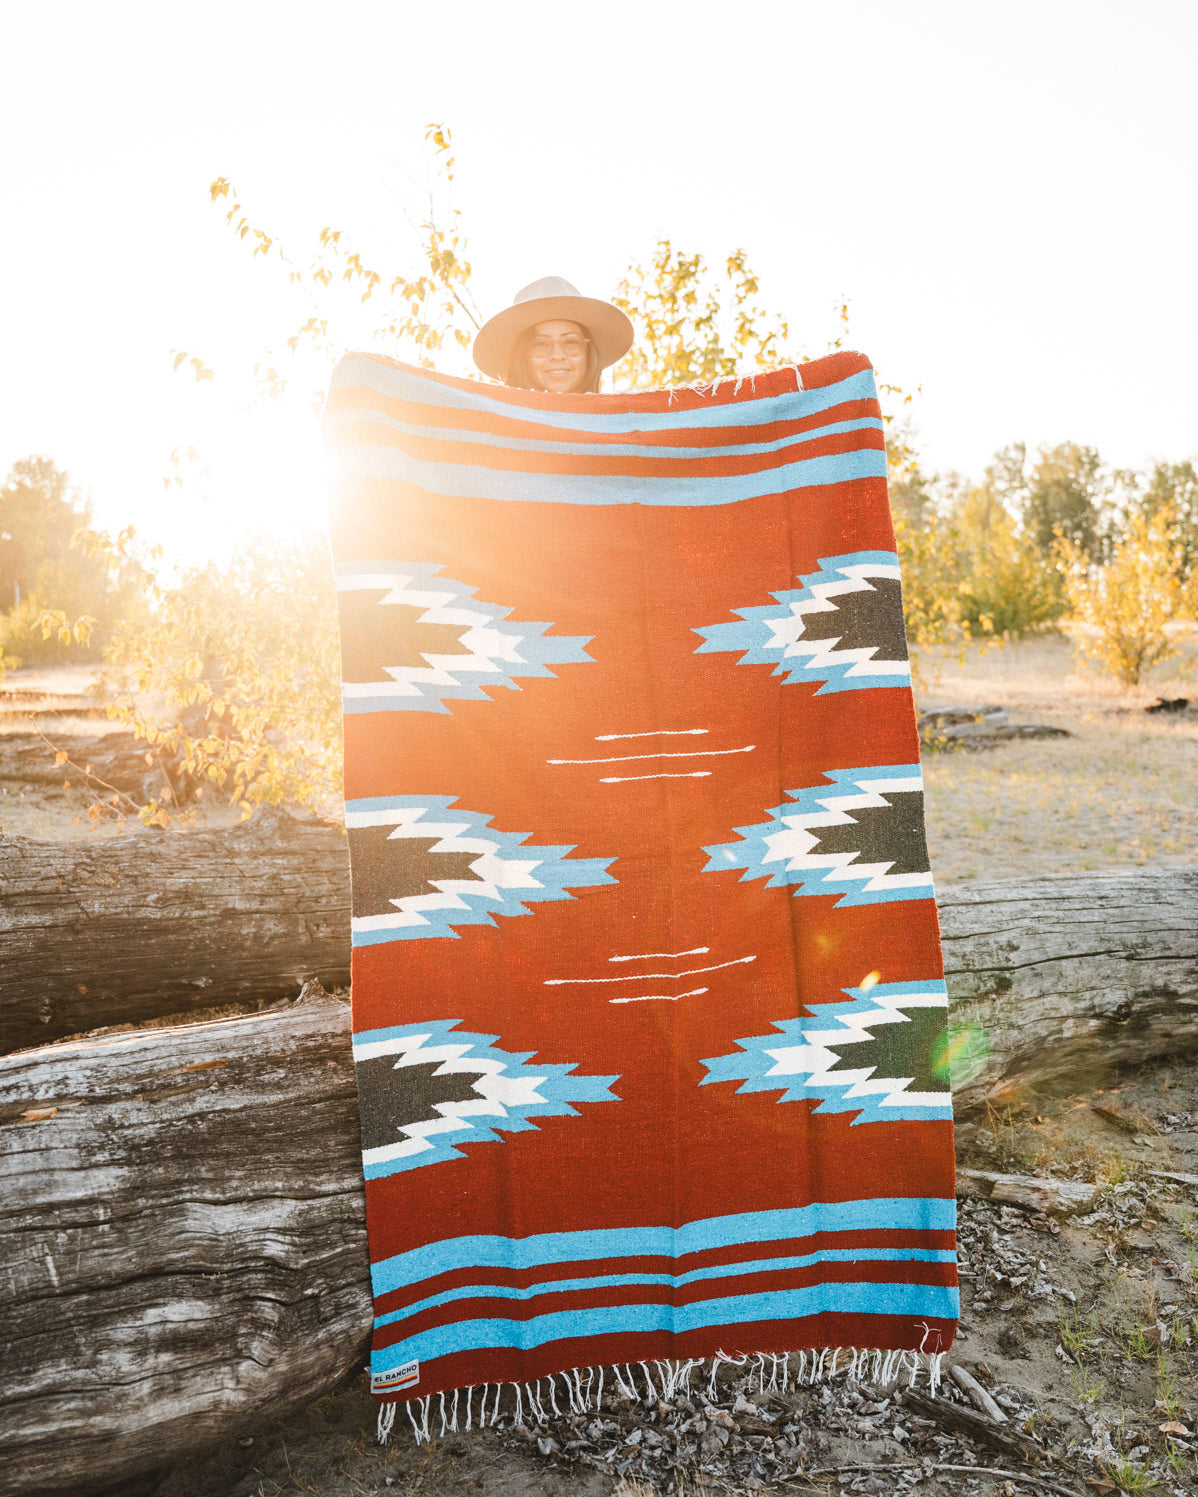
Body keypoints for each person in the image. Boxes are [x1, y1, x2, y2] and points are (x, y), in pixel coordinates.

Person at [472, 276, 634, 394]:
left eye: (571, 342)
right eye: (540, 344)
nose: (557, 355)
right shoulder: (490, 428)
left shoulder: (625, 428)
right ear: (521, 355)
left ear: (588, 353)